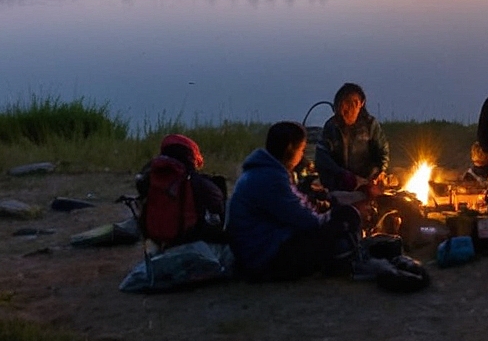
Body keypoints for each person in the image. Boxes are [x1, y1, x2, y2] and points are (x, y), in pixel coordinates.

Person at [228, 121, 360, 281]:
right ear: (290, 149)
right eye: (301, 149)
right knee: (342, 222)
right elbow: (306, 220)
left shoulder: (263, 171)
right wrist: (332, 216)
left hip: (257, 248)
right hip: (262, 256)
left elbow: (294, 205)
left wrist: (321, 205)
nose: (302, 155)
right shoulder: (270, 178)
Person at [134, 132, 228, 247]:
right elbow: (218, 206)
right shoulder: (197, 182)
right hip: (189, 240)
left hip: (155, 237)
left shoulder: (151, 174)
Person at [313, 82, 391, 196]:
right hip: (340, 183)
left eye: (351, 105)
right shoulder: (331, 126)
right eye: (341, 107)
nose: (345, 111)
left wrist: (379, 172)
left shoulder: (370, 125)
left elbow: (382, 151)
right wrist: (342, 174)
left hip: (366, 182)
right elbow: (322, 157)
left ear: (360, 104)